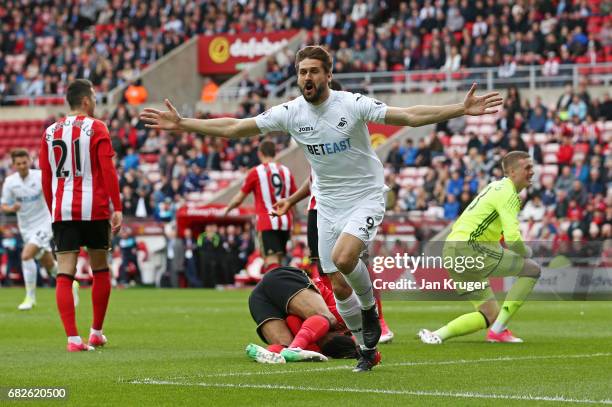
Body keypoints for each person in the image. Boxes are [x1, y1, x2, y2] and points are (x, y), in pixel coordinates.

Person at [140, 45, 502, 371]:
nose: (307, 78)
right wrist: (184, 124)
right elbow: (236, 127)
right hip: (327, 203)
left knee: (345, 260)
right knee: (337, 284)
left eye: (314, 71)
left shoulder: (352, 104)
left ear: (328, 75)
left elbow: (407, 115)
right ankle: (365, 348)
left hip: (365, 195)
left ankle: (370, 311)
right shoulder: (291, 112)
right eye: (302, 72)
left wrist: (459, 109)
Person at [418, 151, 541, 344]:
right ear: (512, 171)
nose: (532, 172)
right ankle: (499, 331)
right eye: (527, 168)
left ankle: (436, 335)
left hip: (451, 249)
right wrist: (526, 251)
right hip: (470, 247)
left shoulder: (495, 186)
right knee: (532, 269)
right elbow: (512, 239)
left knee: (489, 313)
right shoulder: (508, 193)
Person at [39, 79, 123, 352]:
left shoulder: (50, 132)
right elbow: (107, 170)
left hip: (62, 209)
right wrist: (117, 206)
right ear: (86, 101)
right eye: (95, 97)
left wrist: (54, 209)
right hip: (94, 208)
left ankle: (73, 339)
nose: (96, 101)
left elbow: (46, 176)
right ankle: (96, 332)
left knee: (65, 271)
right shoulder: (97, 127)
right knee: (100, 268)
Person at [272, 176, 395, 344]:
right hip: (318, 209)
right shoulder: (313, 150)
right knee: (327, 272)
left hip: (350, 204)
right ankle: (346, 326)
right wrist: (291, 200)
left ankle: (378, 320)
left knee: (358, 263)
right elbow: (312, 176)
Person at [245, 266, 361, 364]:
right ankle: (295, 348)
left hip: (259, 299)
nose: (319, 339)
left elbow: (292, 319)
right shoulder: (345, 318)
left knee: (285, 346)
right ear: (341, 333)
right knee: (328, 318)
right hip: (282, 279)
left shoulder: (314, 346)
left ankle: (264, 352)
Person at [1, 149, 64, 310]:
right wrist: (12, 208)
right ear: (13, 165)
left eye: (25, 162)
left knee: (26, 255)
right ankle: (70, 282)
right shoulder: (10, 182)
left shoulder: (40, 176)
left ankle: (30, 297)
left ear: (29, 161)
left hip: (44, 223)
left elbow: (55, 194)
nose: (22, 166)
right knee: (49, 265)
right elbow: (4, 205)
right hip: (26, 228)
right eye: (19, 163)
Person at [223, 140, 297, 272]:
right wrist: (294, 220)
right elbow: (294, 199)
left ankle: (275, 292)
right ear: (275, 153)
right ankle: (279, 291)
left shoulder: (256, 172)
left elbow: (239, 198)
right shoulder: (286, 171)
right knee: (279, 260)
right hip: (286, 222)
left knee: (271, 261)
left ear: (259, 153)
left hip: (267, 221)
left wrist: (227, 209)